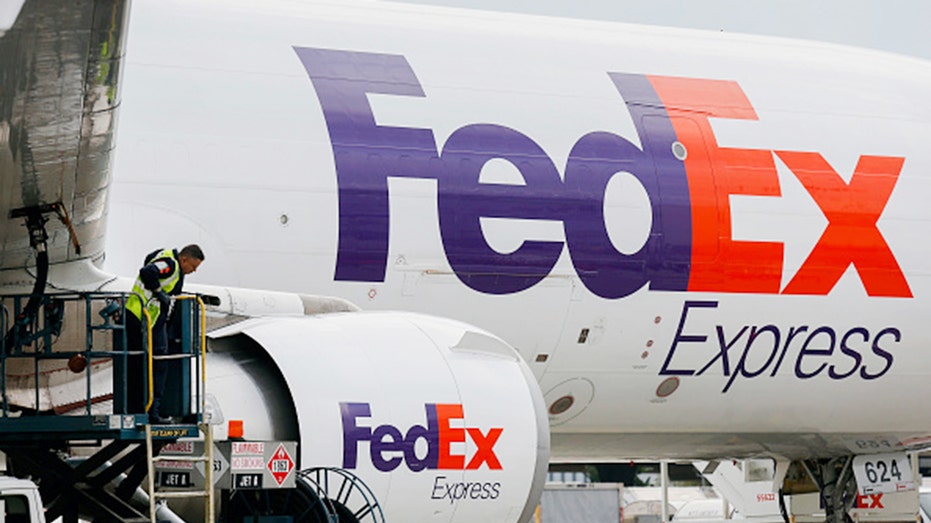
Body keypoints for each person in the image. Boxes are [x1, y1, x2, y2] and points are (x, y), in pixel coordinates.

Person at [125, 244, 204, 424]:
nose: (193, 271)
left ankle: (145, 409)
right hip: (142, 316)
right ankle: (151, 412)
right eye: (193, 267)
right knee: (157, 363)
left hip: (146, 316)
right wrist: (159, 293)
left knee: (145, 363)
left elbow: (149, 257)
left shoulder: (165, 257)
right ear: (184, 259)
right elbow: (148, 270)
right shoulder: (170, 264)